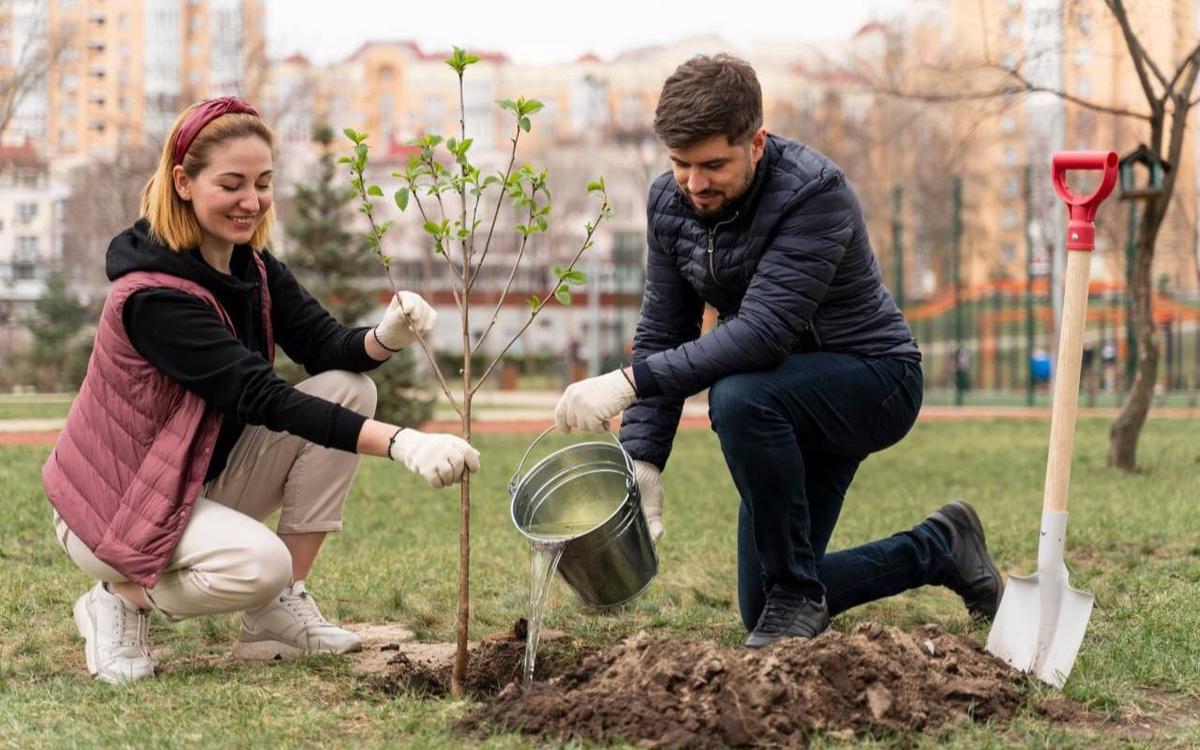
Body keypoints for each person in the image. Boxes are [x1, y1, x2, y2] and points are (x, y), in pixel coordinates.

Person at [554, 54, 1003, 649]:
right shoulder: (670, 204)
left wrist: (630, 382)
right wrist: (643, 457)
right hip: (782, 400)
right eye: (681, 164)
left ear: (757, 141)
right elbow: (666, 328)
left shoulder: (815, 193)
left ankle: (798, 591)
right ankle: (942, 546)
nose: (695, 183)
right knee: (760, 605)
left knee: (738, 397)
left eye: (713, 164)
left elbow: (764, 331)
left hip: (873, 382)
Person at [43, 96, 481, 684]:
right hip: (115, 506)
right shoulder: (154, 298)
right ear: (183, 182)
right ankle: (117, 599)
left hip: (191, 478)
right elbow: (262, 397)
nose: (251, 201)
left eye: (263, 182)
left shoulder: (252, 267)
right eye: (231, 184)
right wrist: (403, 443)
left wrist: (385, 335)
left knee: (349, 389)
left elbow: (326, 349)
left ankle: (274, 614)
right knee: (258, 564)